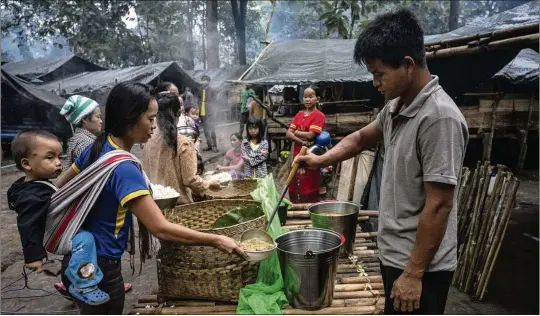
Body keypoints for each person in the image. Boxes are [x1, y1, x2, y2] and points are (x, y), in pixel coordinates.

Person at [296, 9, 468, 315]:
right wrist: (316, 160)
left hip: (421, 267)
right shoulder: (395, 107)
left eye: (379, 74)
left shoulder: (438, 118)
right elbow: (360, 139)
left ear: (407, 65)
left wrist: (414, 274)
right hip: (395, 254)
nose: (375, 82)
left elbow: (440, 205)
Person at [55, 82, 244, 314]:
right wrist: (216, 240)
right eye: (150, 119)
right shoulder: (125, 169)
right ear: (130, 119)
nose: (155, 126)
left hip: (81, 256)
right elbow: (161, 229)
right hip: (102, 267)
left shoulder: (97, 147)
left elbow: (60, 188)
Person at [7, 130, 111, 306]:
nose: (58, 163)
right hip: (55, 236)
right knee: (86, 240)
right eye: (50, 158)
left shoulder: (35, 185)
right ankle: (83, 285)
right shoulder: (32, 196)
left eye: (59, 157)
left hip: (59, 230)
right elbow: (28, 224)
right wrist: (33, 256)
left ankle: (70, 277)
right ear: (26, 164)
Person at [142, 92, 221, 205]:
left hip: (154, 206)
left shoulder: (148, 140)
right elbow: (190, 180)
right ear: (179, 113)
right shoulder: (183, 143)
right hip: (179, 207)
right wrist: (208, 183)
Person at [285, 85, 326, 203]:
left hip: (310, 154)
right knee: (295, 181)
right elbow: (288, 134)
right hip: (297, 153)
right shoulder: (299, 114)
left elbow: (311, 135)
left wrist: (296, 132)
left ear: (317, 99)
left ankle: (308, 212)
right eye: (305, 97)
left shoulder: (319, 115)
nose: (307, 99)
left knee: (309, 182)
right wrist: (301, 141)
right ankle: (296, 209)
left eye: (310, 96)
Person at [60, 95, 102, 169]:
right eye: (98, 117)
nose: (101, 121)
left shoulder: (79, 138)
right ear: (85, 119)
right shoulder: (85, 144)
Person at [198, 75, 218, 153]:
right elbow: (198, 100)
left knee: (212, 129)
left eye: (205, 80)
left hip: (210, 112)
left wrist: (213, 111)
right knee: (206, 130)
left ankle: (215, 146)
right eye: (202, 80)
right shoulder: (200, 90)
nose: (204, 81)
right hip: (202, 112)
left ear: (208, 82)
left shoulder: (212, 90)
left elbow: (214, 102)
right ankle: (209, 145)